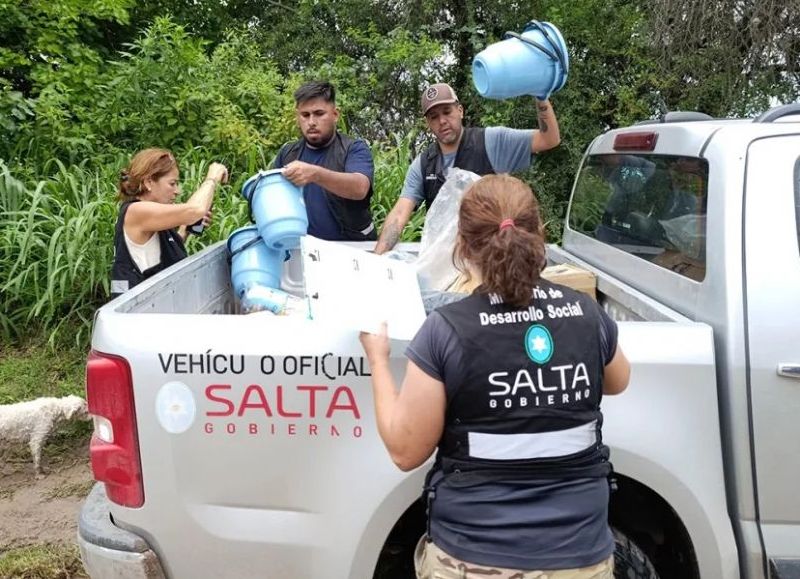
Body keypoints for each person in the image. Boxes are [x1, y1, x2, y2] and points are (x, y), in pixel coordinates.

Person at [360, 174, 631, 579]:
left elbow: (405, 450)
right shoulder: (586, 313)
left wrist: (378, 361)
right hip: (581, 557)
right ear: (540, 234)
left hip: (473, 558)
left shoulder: (446, 330)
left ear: (463, 246)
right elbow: (617, 380)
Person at [374, 83, 562, 254]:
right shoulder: (423, 164)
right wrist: (378, 257)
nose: (442, 121)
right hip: (445, 260)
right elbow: (399, 215)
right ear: (428, 124)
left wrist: (541, 96)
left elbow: (549, 139)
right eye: (434, 117)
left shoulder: (491, 142)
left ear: (460, 111)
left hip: (493, 257)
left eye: (447, 112)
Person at [111, 148, 228, 297]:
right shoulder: (136, 211)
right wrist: (211, 179)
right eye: (172, 183)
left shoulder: (153, 216)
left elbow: (155, 253)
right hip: (135, 313)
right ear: (148, 182)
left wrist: (184, 229)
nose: (177, 191)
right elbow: (195, 210)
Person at [272, 80, 376, 241]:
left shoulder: (353, 148)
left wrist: (315, 174)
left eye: (319, 113)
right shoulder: (288, 153)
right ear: (297, 117)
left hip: (352, 250)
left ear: (335, 115)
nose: (311, 122)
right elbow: (271, 195)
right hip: (303, 251)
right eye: (305, 115)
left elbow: (360, 188)